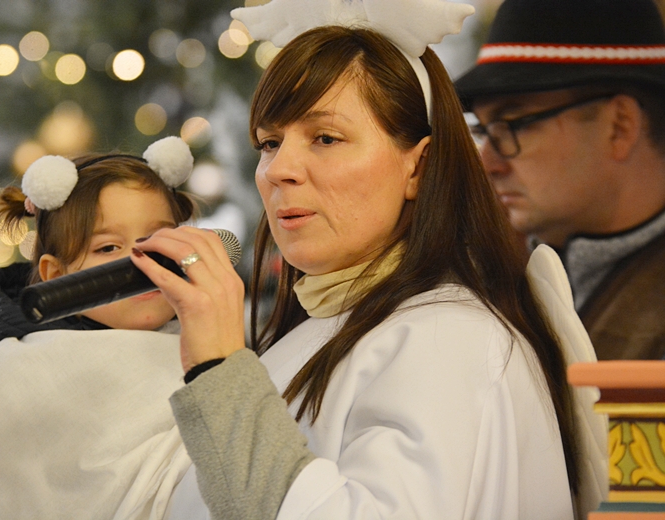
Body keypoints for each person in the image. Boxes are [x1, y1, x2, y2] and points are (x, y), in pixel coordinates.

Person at [127, 1, 606, 519]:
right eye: (269, 142)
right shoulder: (335, 327)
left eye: (326, 138)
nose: (277, 169)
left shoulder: (448, 338)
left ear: (418, 167)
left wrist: (221, 370)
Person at [0, 137, 196, 519]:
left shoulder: (206, 342)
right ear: (54, 274)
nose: (142, 261)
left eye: (156, 239)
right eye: (108, 249)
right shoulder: (19, 372)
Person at [453, 0, 665, 360]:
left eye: (515, 124)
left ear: (620, 126)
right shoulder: (509, 281)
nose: (488, 163)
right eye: (483, 131)